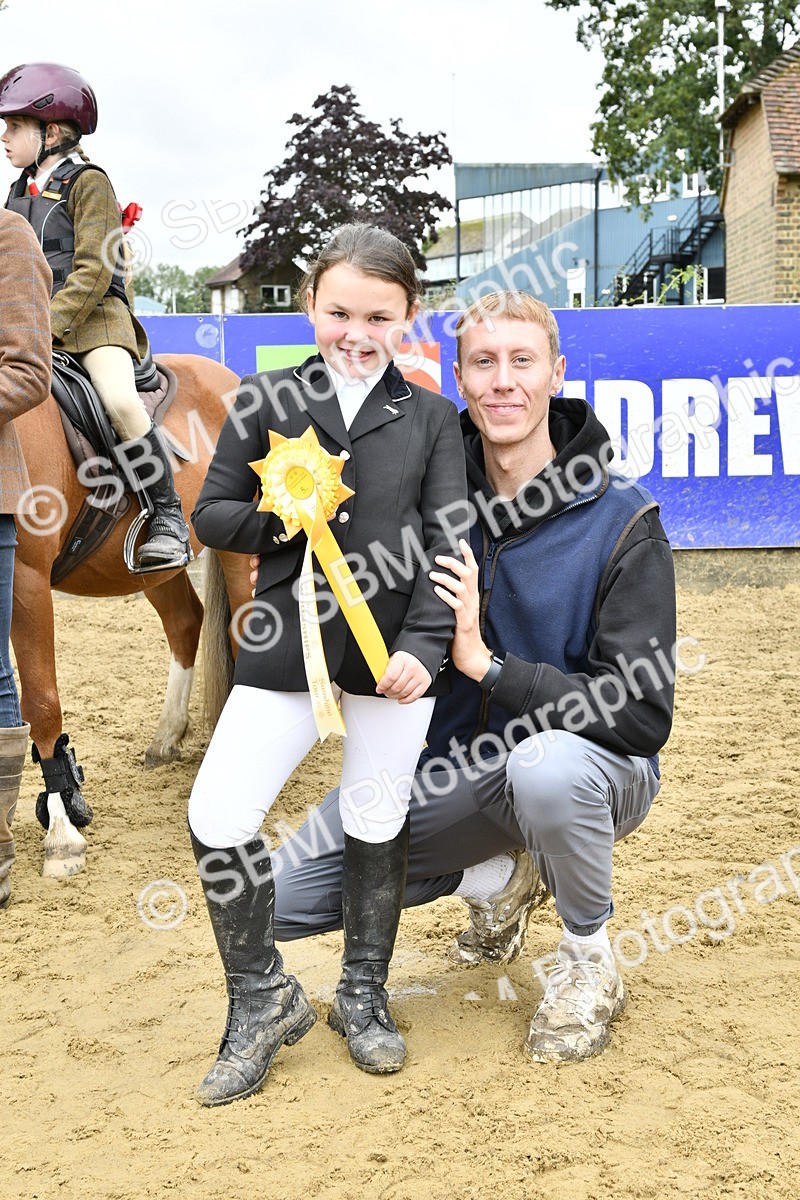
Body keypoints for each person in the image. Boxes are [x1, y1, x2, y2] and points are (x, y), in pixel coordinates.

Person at [269, 290, 677, 1065]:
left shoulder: (624, 519)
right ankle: (495, 877)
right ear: (459, 377)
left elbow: (642, 717)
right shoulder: (427, 497)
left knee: (544, 768)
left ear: (556, 373)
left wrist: (488, 666)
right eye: (484, 363)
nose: (503, 382)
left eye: (522, 362)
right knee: (271, 899)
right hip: (453, 774)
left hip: (588, 770)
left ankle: (588, 961)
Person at [188, 223, 467, 1106]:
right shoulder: (264, 397)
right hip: (283, 652)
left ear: (408, 317)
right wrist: (285, 514)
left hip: (391, 660)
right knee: (218, 811)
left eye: (377, 315)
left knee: (377, 819)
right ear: (311, 304)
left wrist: (425, 650)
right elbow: (213, 514)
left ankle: (363, 991)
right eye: (338, 310)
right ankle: (262, 995)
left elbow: (450, 542)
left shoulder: (432, 418)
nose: (355, 330)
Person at [0, 61, 190, 570]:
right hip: (38, 327)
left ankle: (167, 516)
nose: (4, 136)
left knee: (121, 402)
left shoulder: (90, 183)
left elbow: (93, 269)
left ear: (53, 132)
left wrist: (42, 327)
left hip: (94, 325)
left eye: (14, 126)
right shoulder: (18, 193)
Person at [0, 208, 53, 907]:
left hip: (88, 328)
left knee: (121, 407)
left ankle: (159, 509)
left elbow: (25, 369)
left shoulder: (9, 232)